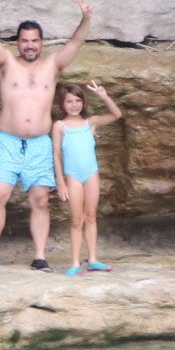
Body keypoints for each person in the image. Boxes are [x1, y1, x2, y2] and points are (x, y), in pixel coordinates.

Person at [0, 0, 92, 270]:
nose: (30, 45)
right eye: (25, 41)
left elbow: (76, 43)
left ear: (42, 43)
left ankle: (40, 256)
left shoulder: (52, 65)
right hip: (7, 140)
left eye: (35, 41)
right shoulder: (6, 63)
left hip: (40, 143)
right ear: (18, 42)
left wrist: (86, 17)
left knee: (41, 200)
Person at [52, 80, 123, 275]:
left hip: (91, 174)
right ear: (62, 104)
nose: (74, 105)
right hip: (72, 176)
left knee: (91, 216)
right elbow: (56, 155)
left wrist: (104, 96)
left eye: (77, 100)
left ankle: (92, 259)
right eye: (69, 101)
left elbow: (117, 115)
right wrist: (61, 183)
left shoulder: (89, 123)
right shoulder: (59, 126)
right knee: (77, 219)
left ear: (83, 102)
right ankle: (75, 263)